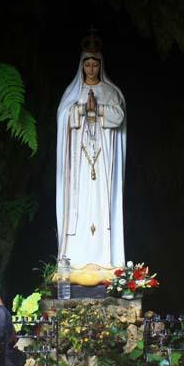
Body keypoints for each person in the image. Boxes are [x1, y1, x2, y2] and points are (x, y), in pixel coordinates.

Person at [55, 33, 126, 270]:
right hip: (80, 164)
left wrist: (101, 110)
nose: (92, 68)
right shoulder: (72, 92)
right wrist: (82, 110)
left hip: (103, 162)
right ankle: (76, 260)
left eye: (95, 64)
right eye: (87, 64)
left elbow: (119, 117)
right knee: (80, 206)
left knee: (101, 205)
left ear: (101, 65)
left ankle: (106, 261)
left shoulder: (111, 92)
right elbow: (64, 118)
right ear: (82, 65)